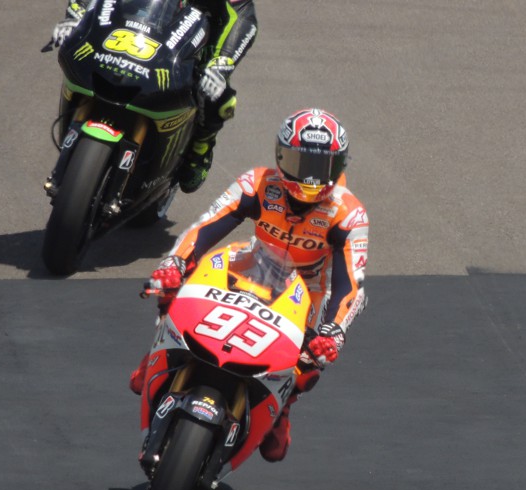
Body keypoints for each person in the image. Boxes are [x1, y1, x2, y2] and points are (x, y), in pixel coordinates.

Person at [134, 107, 369, 462]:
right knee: (172, 285)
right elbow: (205, 226)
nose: (309, 177)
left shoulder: (349, 213)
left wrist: (333, 331)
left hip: (307, 290)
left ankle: (283, 404)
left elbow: (350, 285)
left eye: (320, 167)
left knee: (309, 367)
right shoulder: (258, 182)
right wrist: (175, 263)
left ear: (338, 168)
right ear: (279, 156)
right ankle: (159, 351)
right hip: (253, 264)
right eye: (299, 162)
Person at [50, 0, 259, 193]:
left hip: (188, 50)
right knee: (81, 52)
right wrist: (76, 12)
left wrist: (222, 63)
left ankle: (200, 149)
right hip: (131, 30)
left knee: (218, 95)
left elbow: (242, 16)